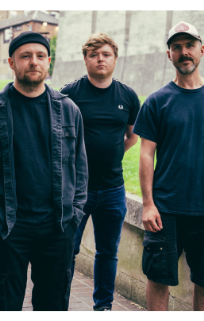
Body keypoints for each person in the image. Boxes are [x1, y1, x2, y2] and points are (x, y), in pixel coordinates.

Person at [0, 31, 88, 311]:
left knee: (53, 303)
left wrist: (75, 214)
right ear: (12, 63)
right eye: (25, 56)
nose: (33, 62)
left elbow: (81, 169)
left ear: (48, 62)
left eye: (40, 56)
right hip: (10, 226)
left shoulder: (69, 110)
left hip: (57, 225)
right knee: (4, 303)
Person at [133, 21, 204, 311]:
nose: (183, 52)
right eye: (176, 47)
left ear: (201, 50)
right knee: (158, 278)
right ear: (169, 55)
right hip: (166, 210)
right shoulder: (156, 101)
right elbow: (145, 155)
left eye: (189, 45)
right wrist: (148, 204)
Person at [60, 33, 140, 311]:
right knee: (66, 251)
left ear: (115, 59)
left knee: (108, 252)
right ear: (85, 59)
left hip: (113, 189)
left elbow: (132, 135)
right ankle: (59, 304)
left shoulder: (127, 95)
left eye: (105, 54)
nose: (100, 59)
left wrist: (115, 152)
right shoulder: (70, 93)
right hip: (76, 191)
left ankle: (103, 307)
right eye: (94, 55)